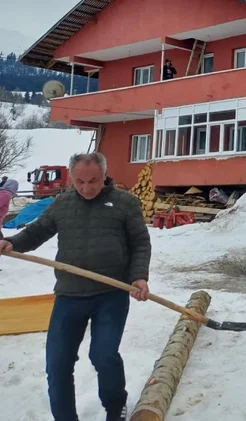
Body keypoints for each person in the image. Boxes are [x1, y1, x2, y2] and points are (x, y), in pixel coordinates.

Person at [0, 152, 152, 421]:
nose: (86, 188)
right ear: (71, 178)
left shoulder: (125, 203)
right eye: (79, 182)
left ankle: (115, 407)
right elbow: (37, 231)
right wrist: (12, 242)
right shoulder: (63, 203)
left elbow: (140, 242)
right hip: (69, 295)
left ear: (104, 175)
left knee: (104, 356)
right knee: (57, 363)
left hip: (111, 294)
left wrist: (139, 276)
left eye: (93, 181)